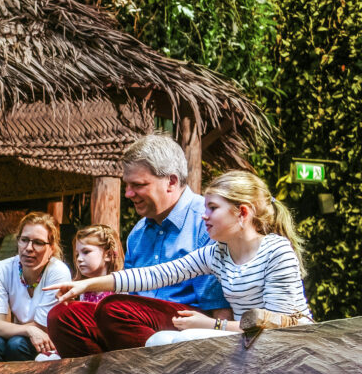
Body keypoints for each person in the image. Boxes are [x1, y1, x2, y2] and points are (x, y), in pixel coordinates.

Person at [47, 171, 310, 342]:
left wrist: (212, 325)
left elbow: (280, 327)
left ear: (242, 213)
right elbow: (156, 275)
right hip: (245, 339)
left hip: (286, 345)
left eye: (213, 208)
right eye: (205, 207)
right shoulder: (216, 253)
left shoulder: (277, 251)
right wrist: (85, 284)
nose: (204, 215)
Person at [47, 134, 231, 357]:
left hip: (186, 323)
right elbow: (130, 289)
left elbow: (219, 305)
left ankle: (139, 371)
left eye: (138, 185)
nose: (128, 194)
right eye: (127, 185)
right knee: (63, 316)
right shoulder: (138, 233)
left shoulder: (206, 221)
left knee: (114, 309)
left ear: (171, 182)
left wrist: (224, 347)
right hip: (131, 323)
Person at [0, 212, 71, 361]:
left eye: (38, 242)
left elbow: (43, 327)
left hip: (50, 342)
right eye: (24, 240)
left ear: (52, 248)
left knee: (16, 345)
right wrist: (28, 329)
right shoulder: (1, 269)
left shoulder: (58, 271)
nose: (29, 248)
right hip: (23, 336)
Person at [34, 224, 124, 361]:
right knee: (42, 359)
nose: (79, 259)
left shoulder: (120, 290)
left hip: (109, 347)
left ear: (108, 255)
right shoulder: (83, 292)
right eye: (77, 254)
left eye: (86, 252)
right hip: (84, 343)